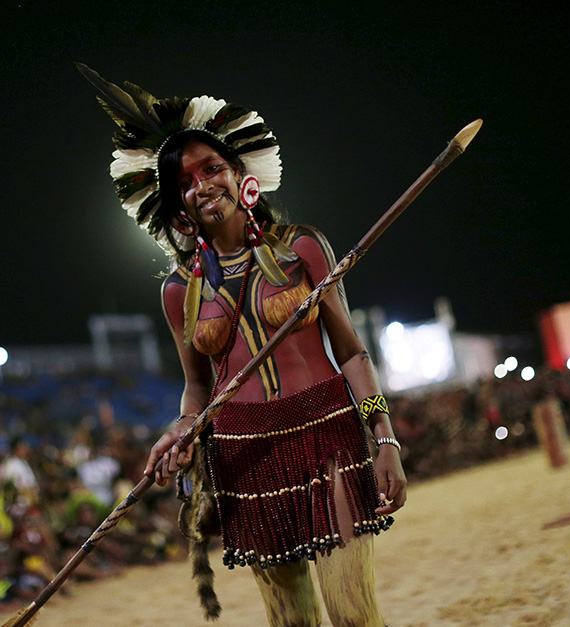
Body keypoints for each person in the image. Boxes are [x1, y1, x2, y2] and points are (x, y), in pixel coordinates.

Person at [82, 66, 407, 626]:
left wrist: (385, 438)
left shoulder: (302, 249)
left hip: (325, 432)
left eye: (211, 168)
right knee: (291, 622)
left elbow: (352, 353)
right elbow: (197, 387)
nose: (202, 185)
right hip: (243, 454)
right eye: (185, 181)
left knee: (353, 614)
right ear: (177, 204)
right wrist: (181, 429)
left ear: (239, 173)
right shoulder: (179, 291)